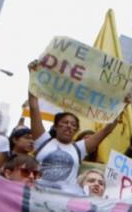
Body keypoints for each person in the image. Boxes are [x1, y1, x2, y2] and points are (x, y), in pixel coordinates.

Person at [28, 61, 120, 194]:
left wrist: (121, 105)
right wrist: (33, 77)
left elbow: (107, 130)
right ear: (55, 126)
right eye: (65, 123)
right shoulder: (43, 141)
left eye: (73, 125)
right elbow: (34, 107)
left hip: (64, 201)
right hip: (37, 195)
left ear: (76, 131)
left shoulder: (79, 149)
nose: (69, 126)